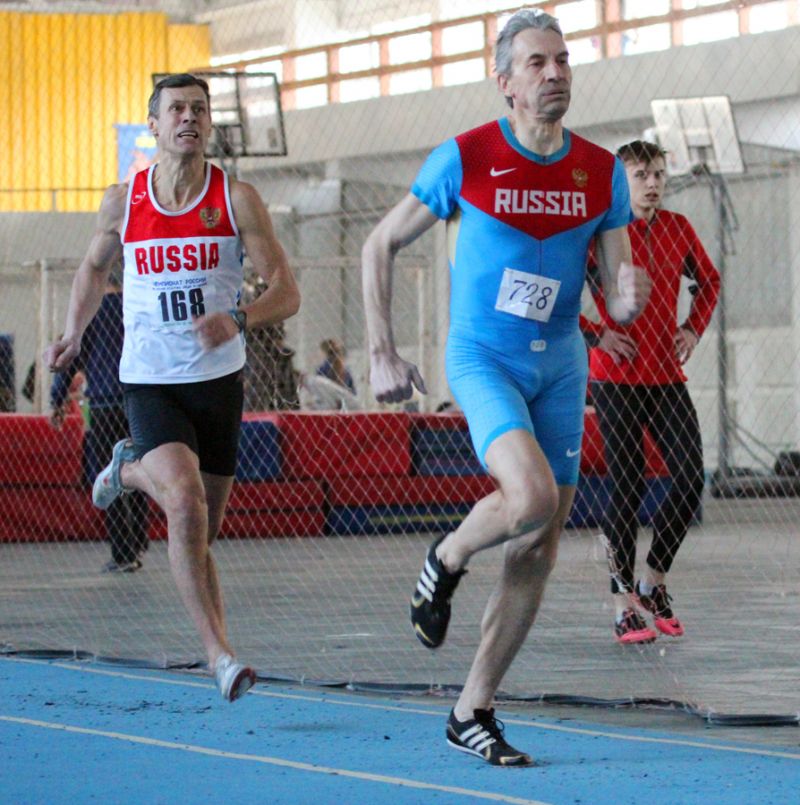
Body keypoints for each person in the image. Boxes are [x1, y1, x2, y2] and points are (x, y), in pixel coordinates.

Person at [362, 9, 651, 766]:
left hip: (561, 363)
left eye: (563, 60)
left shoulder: (600, 170)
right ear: (505, 83)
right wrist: (383, 350)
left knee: (536, 548)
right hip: (485, 355)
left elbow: (616, 281)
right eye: (537, 63)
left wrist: (625, 299)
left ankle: (472, 709)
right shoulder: (467, 157)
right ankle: (447, 556)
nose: (555, 73)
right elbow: (379, 244)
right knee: (529, 498)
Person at [44, 73, 300, 702]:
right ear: (153, 125)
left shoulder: (236, 199)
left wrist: (238, 318)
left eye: (199, 110)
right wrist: (73, 334)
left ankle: (129, 469)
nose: (189, 118)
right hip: (150, 381)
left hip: (219, 383)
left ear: (209, 124)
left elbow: (287, 292)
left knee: (200, 531)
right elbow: (92, 270)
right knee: (183, 504)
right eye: (177, 109)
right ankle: (220, 656)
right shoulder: (123, 201)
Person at [581, 140, 720, 644]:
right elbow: (561, 292)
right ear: (620, 181)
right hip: (615, 377)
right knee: (628, 486)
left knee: (689, 477)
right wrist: (596, 334)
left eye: (658, 173)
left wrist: (692, 329)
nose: (653, 183)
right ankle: (623, 606)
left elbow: (709, 281)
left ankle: (653, 580)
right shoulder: (601, 232)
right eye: (640, 175)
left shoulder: (678, 228)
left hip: (665, 376)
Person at [50, 271, 150, 573]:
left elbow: (69, 358)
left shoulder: (90, 313)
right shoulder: (136, 306)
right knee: (140, 467)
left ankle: (122, 552)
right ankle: (139, 537)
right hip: (139, 400)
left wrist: (57, 399)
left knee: (112, 474)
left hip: (104, 403)